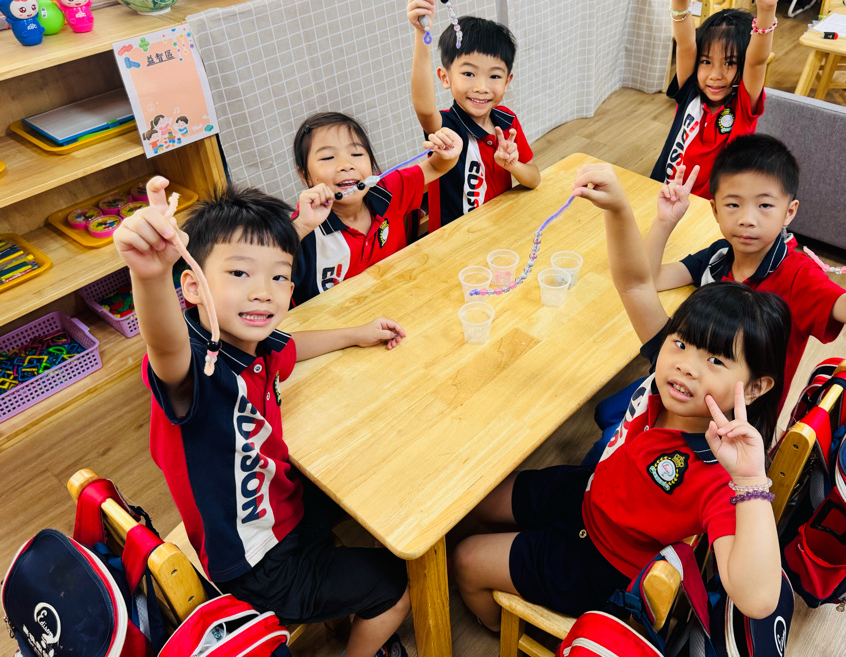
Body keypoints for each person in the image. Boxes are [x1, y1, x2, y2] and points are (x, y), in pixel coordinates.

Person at [453, 163, 788, 628]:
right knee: (474, 504)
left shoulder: (723, 473)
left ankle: (498, 628)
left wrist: (750, 479)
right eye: (681, 343)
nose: (687, 365)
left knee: (466, 559)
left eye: (716, 360)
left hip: (601, 563)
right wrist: (617, 208)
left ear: (754, 387)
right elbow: (634, 282)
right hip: (589, 493)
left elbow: (758, 600)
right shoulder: (668, 377)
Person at [114, 178, 411, 657]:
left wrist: (356, 333)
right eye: (238, 273)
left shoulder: (255, 342)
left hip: (284, 511)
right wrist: (150, 277)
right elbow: (164, 346)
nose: (262, 293)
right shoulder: (196, 368)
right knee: (396, 586)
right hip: (256, 566)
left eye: (278, 279)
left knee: (373, 486)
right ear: (191, 286)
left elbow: (292, 345)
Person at [648, 134, 846, 409]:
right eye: (733, 204)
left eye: (765, 205)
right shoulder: (719, 255)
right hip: (688, 397)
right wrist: (664, 221)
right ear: (715, 209)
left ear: (789, 212)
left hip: (742, 423)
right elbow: (650, 279)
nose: (747, 219)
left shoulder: (798, 274)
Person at [649, 0, 793, 198]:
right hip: (664, 195)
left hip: (712, 211)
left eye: (730, 63)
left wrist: (767, 8)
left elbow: (757, 60)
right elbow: (685, 44)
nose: (715, 75)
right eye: (706, 62)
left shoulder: (743, 105)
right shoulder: (691, 91)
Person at [290, 111, 463, 305]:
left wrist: (451, 150)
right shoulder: (303, 226)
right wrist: (300, 227)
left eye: (356, 154)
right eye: (328, 157)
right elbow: (267, 267)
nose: (345, 165)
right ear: (304, 176)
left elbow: (437, 166)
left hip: (403, 303)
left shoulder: (388, 190)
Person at [407, 0, 541, 230]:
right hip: (454, 239)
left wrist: (514, 166)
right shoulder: (446, 128)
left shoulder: (507, 121)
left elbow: (534, 179)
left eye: (494, 76)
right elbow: (424, 108)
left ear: (507, 81)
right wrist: (421, 32)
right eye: (469, 73)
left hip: (500, 229)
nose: (481, 87)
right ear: (445, 77)